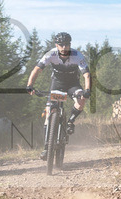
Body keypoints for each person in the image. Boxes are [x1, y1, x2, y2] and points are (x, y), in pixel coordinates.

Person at [26, 32, 90, 160]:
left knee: (81, 99)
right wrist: (30, 85)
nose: (64, 47)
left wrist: (87, 89)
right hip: (57, 85)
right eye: (61, 45)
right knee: (50, 111)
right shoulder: (51, 54)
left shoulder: (77, 55)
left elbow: (86, 74)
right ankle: (46, 148)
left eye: (66, 44)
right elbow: (37, 70)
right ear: (56, 45)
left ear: (70, 45)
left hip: (73, 84)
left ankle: (70, 121)